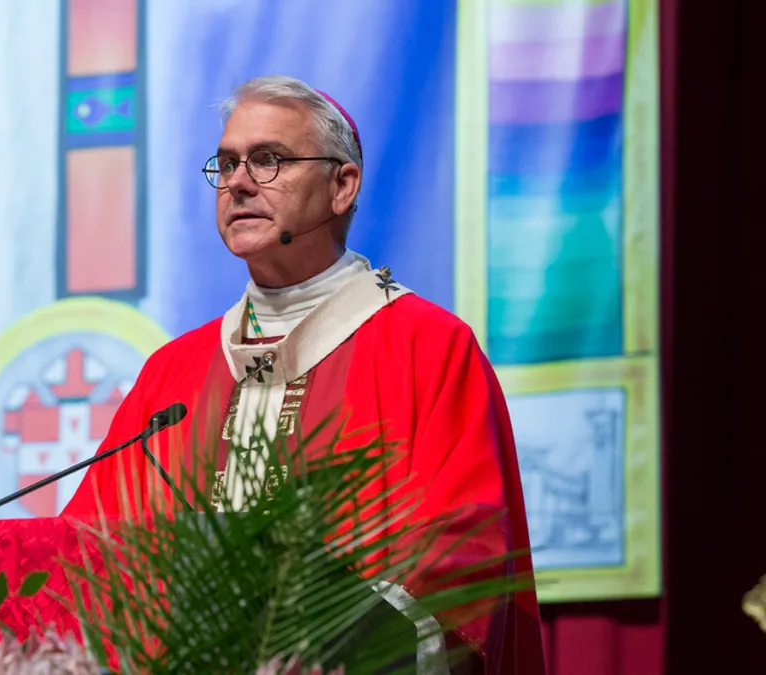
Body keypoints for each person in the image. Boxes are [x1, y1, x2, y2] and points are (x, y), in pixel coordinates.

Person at [60, 75, 545, 675]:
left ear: (342, 186)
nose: (237, 182)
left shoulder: (427, 346)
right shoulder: (175, 372)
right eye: (227, 162)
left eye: (268, 160)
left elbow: (461, 555)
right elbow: (85, 553)